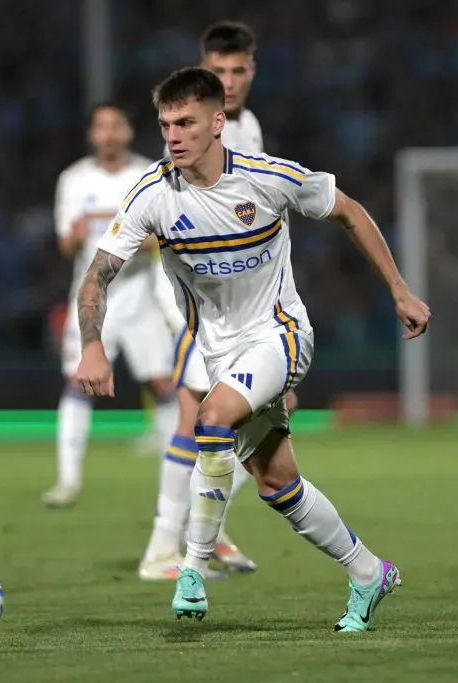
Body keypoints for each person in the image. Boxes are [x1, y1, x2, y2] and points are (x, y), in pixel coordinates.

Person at [73, 68, 430, 631]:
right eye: (166, 124)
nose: (173, 135)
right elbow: (96, 276)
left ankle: (190, 567)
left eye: (186, 122)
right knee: (275, 483)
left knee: (209, 419)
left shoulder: (267, 178)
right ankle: (368, 572)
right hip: (221, 354)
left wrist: (399, 289)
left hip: (281, 336)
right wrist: (92, 346)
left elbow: (350, 212)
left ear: (218, 122)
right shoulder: (151, 195)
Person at [139, 20, 297, 580]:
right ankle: (164, 546)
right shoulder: (190, 129)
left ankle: (209, 536)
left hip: (242, 307)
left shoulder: (247, 129)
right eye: (219, 70)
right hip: (198, 302)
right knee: (196, 417)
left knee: (223, 421)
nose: (228, 80)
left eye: (237, 70)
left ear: (253, 69)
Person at [41, 102, 178, 508]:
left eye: (116, 124)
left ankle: (175, 482)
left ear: (129, 131)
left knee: (163, 384)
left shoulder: (149, 176)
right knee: (77, 382)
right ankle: (68, 480)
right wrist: (78, 233)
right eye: (101, 126)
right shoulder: (74, 179)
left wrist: (127, 238)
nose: (109, 133)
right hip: (91, 297)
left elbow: (166, 239)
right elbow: (66, 244)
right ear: (92, 134)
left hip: (140, 296)